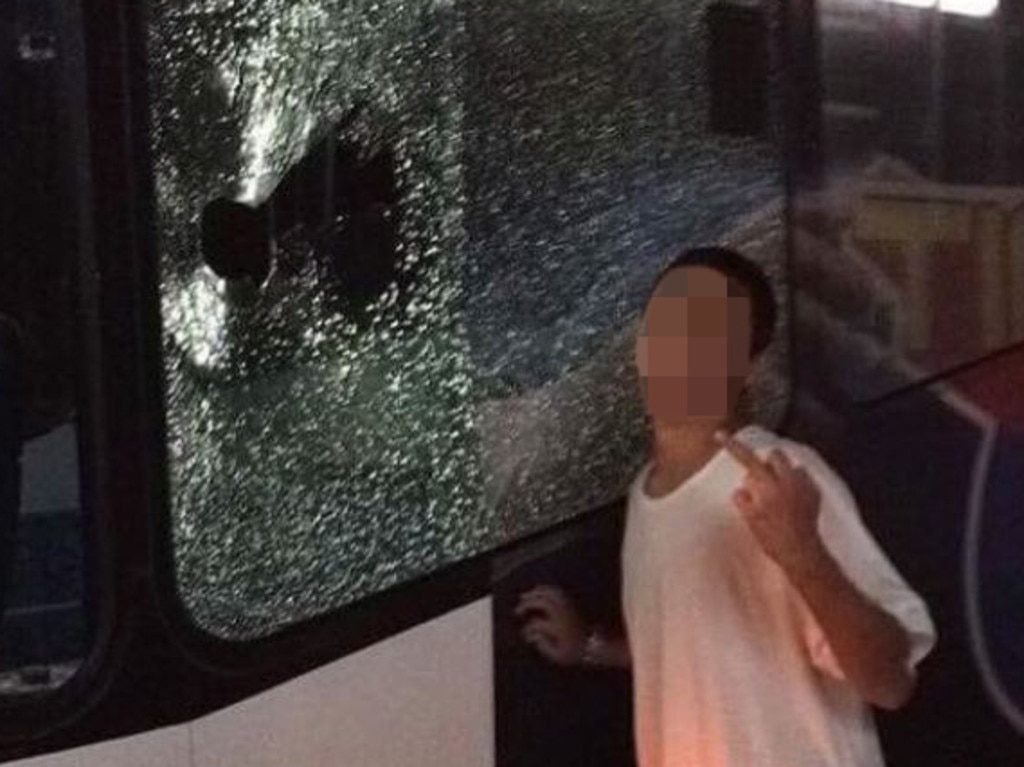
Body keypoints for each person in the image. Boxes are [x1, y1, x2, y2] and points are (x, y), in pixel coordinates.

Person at [514, 245, 937, 766]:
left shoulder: (784, 475)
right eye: (663, 323)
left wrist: (805, 556)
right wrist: (592, 648)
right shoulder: (645, 496)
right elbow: (699, 654)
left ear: (747, 360)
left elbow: (890, 681)